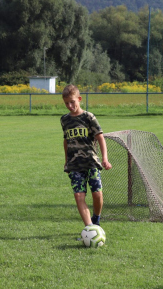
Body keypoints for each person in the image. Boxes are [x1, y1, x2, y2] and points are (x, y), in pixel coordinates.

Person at [60, 84, 112, 228]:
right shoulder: (64, 120)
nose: (69, 106)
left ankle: (96, 219)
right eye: (66, 103)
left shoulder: (89, 117)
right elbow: (66, 141)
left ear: (79, 99)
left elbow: (100, 137)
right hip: (75, 165)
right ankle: (90, 228)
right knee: (78, 196)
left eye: (72, 102)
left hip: (91, 163)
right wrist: (66, 161)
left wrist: (105, 159)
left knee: (97, 194)